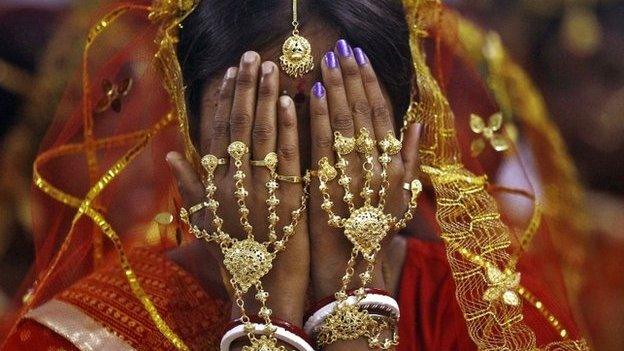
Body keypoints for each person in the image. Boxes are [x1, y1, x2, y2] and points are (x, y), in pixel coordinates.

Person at [0, 0, 591, 350]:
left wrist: (352, 308)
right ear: (186, 144)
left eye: (341, 125)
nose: (294, 165)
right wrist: (264, 318)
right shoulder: (80, 337)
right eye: (258, 125)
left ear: (408, 149)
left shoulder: (486, 316)